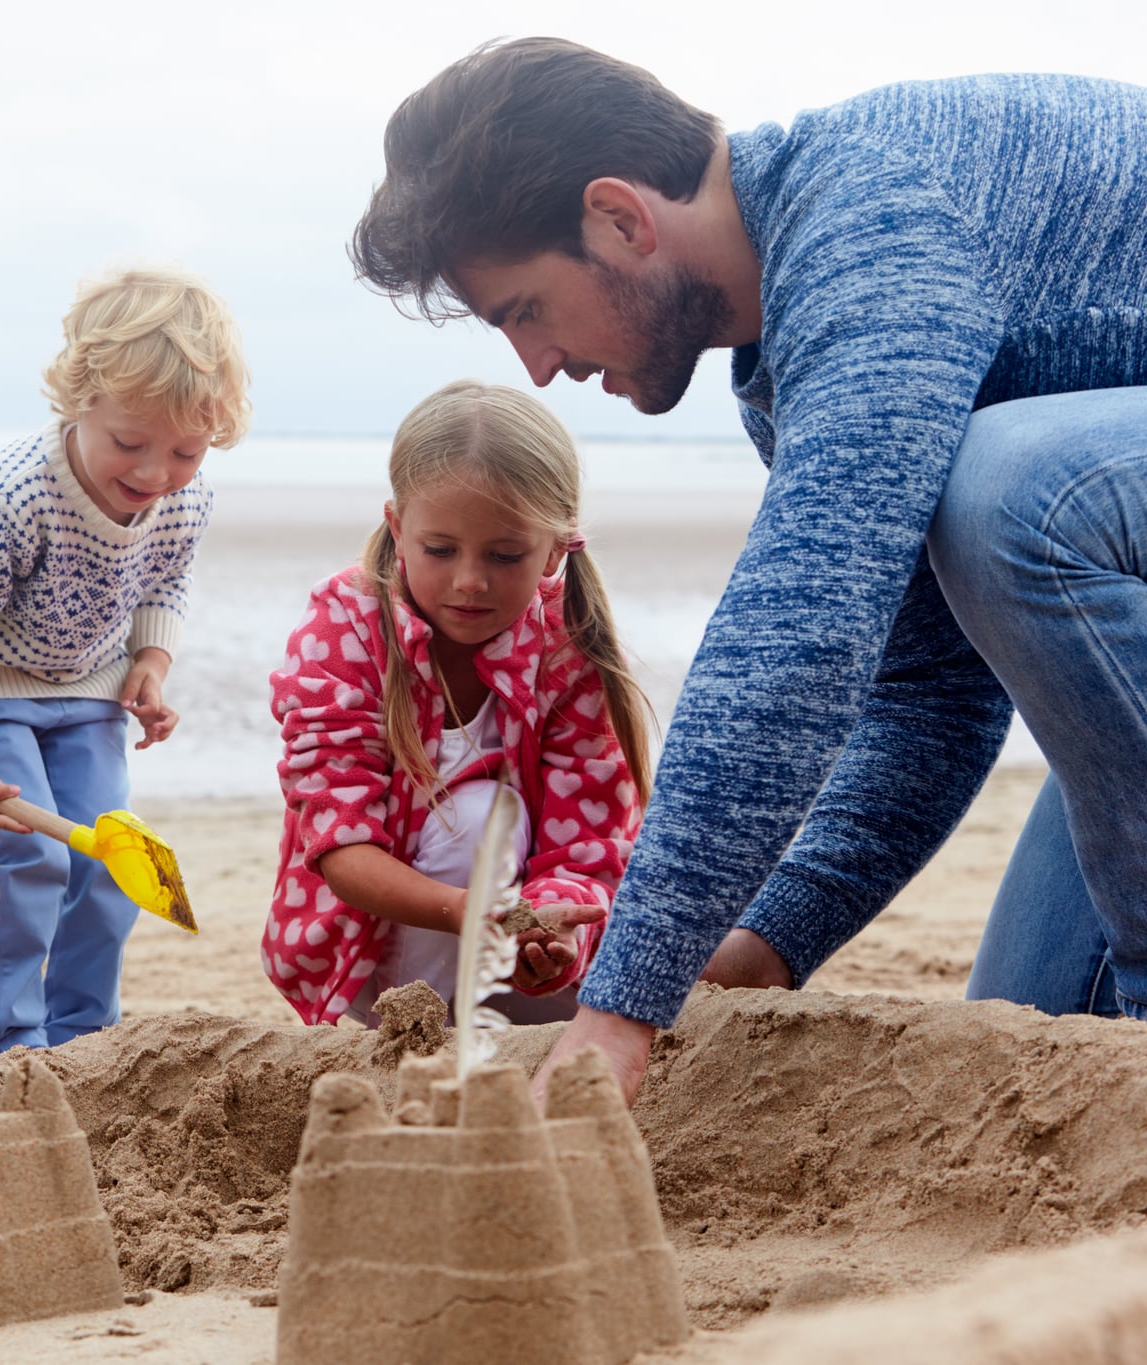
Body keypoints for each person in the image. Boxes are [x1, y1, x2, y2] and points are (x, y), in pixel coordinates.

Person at [348, 39, 1147, 1102]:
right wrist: (759, 940)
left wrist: (624, 1000)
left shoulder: (870, 226)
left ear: (619, 218)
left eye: (524, 311)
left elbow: (796, 642)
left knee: (1011, 494)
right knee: (1044, 1058)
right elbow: (926, 698)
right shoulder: (791, 356)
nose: (535, 368)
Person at [0, 267, 250, 1054]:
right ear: (80, 398)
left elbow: (166, 574)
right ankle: (0, 1044)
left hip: (86, 688)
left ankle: (83, 1040)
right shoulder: (3, 502)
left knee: (110, 863)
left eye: (186, 450)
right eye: (129, 443)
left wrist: (150, 659)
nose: (154, 476)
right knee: (31, 860)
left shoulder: (182, 498)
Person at [264, 379, 647, 1026]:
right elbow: (339, 845)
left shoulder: (566, 642)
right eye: (440, 551)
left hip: (511, 944)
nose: (470, 581)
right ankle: (416, 1030)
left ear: (556, 549)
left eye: (505, 555)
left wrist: (549, 933)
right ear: (398, 526)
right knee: (467, 820)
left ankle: (495, 1021)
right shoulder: (345, 628)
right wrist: (465, 910)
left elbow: (587, 845)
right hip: (365, 959)